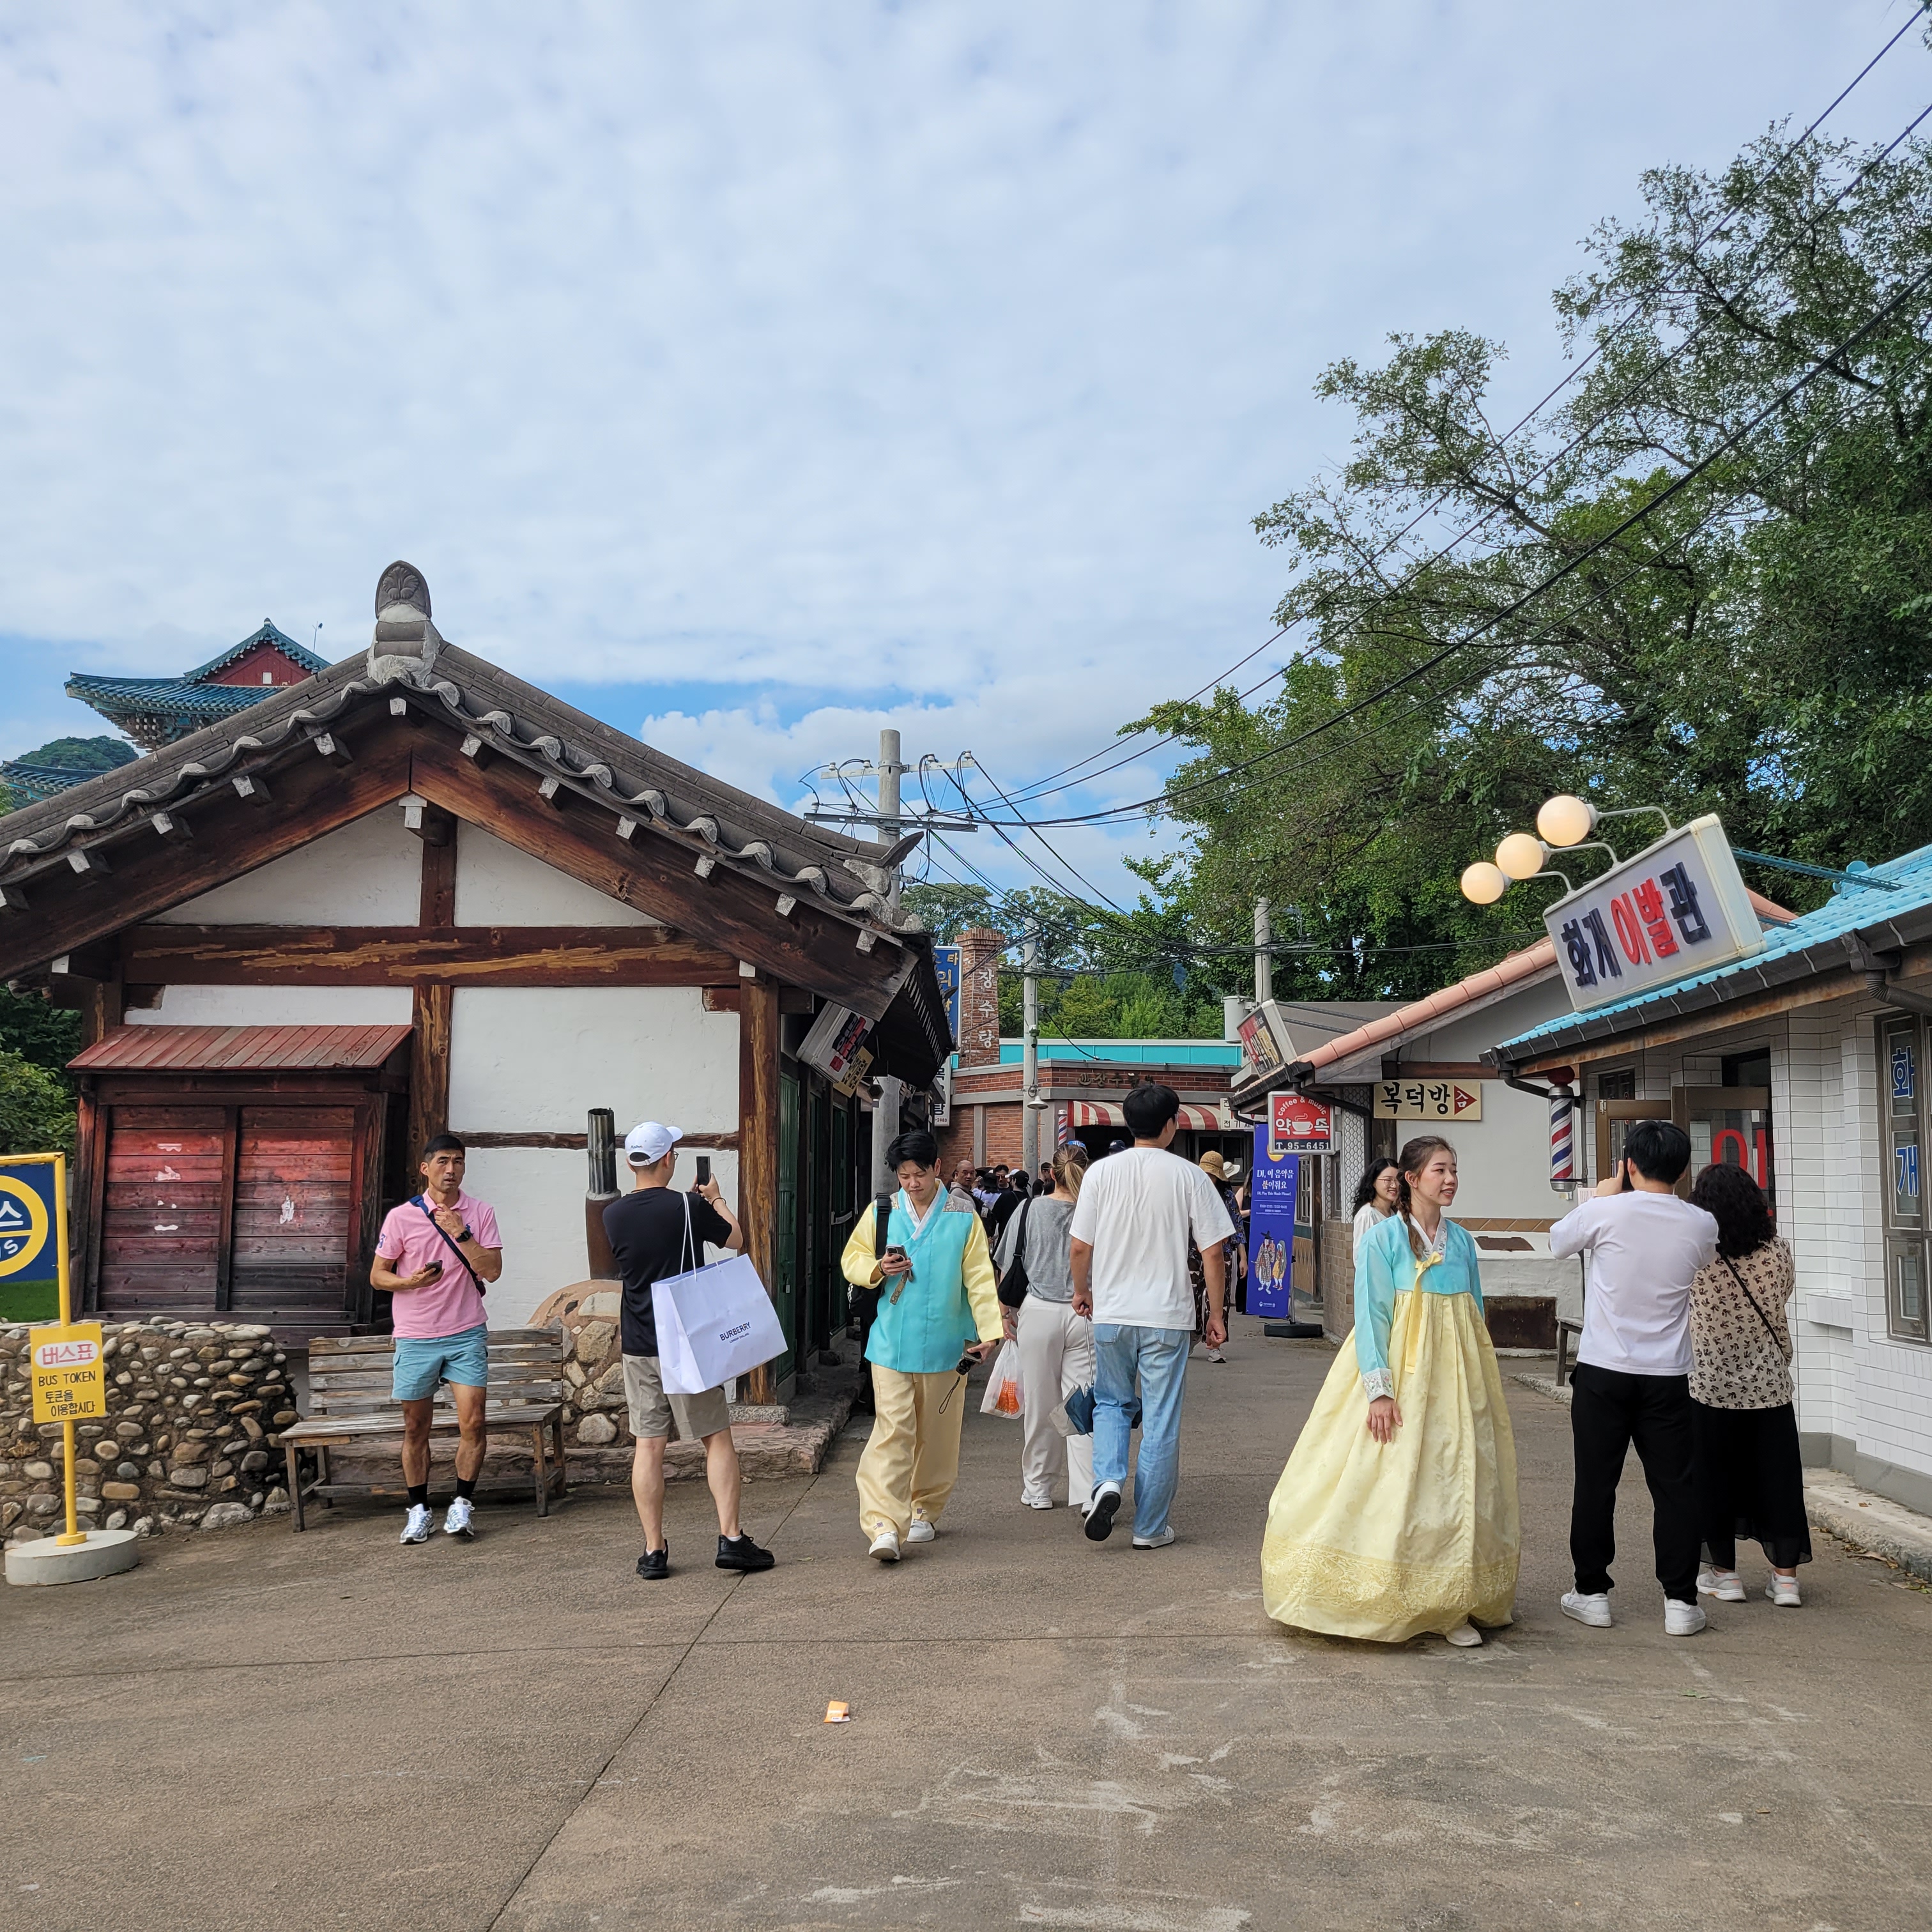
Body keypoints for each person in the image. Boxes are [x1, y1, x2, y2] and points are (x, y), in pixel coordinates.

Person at [1261, 1136, 1519, 1646]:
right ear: (1412, 1178)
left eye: (1454, 1170)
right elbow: (1372, 1316)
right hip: (1402, 1372)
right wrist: (1379, 1390)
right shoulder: (1382, 1239)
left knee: (1455, 1478)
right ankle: (1388, 1592)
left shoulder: (1461, 1241)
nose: (1451, 1179)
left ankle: (1451, 1603)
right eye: (1440, 1170)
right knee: (1393, 1478)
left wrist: (1481, 1381)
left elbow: (1475, 1312)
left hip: (1456, 1379)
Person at [1550, 1118, 1718, 1636]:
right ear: (1683, 1170)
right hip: (1667, 1374)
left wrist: (1598, 1198)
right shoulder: (1701, 1223)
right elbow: (1704, 1261)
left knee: (1596, 1484)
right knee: (1675, 1488)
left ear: (1628, 1164)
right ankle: (1681, 1602)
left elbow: (1558, 1242)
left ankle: (1592, 1593)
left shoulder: (1605, 1211)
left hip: (1604, 1369)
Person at [603, 1121, 775, 1582]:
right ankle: (731, 1538)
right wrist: (715, 1198)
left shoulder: (613, 1215)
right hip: (685, 1342)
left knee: (648, 1446)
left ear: (631, 1163)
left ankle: (653, 1549)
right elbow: (736, 1240)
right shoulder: (687, 1205)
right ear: (667, 1159)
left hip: (639, 1341)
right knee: (716, 1437)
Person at [1070, 1083, 1234, 1549]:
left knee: (1111, 1403)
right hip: (1168, 1315)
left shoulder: (1100, 1173)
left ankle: (1107, 1481)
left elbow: (1080, 1246)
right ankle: (1150, 1528)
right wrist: (1215, 1313)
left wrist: (1082, 1291)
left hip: (1113, 1312)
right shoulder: (1190, 1176)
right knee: (1161, 1418)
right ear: (1171, 1125)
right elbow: (1214, 1252)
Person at [840, 1128, 1004, 1561]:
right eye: (904, 1175)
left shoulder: (963, 1218)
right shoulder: (883, 1211)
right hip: (891, 1343)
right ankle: (883, 1525)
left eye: (919, 1174)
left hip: (947, 1345)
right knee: (893, 1431)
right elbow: (852, 1259)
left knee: (938, 1436)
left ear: (937, 1168)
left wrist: (988, 1332)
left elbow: (979, 1278)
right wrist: (879, 1267)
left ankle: (924, 1509)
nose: (912, 1183)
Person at [1685, 1162, 1809, 1607]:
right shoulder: (1778, 1251)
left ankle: (1726, 1575)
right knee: (1778, 1480)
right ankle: (1786, 1579)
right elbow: (1783, 1297)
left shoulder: (1697, 1255)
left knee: (1714, 1479)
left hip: (1710, 1384)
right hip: (1768, 1383)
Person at [371, 1133, 504, 1545]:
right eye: (443, 1162)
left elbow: (493, 1271)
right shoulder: (401, 1218)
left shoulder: (480, 1213)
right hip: (416, 1336)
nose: (451, 1170)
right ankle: (418, 1510)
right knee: (416, 1427)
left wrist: (461, 1234)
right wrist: (409, 1282)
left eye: (458, 1162)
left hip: (465, 1331)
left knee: (474, 1422)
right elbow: (378, 1276)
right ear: (426, 1168)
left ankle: (462, 1504)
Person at [1000, 1142, 1093, 1513]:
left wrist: (1005, 1312)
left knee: (1041, 1404)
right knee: (1083, 1403)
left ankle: (1038, 1487)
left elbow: (1007, 1265)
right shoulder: (1096, 1212)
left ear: (1051, 1174)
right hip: (1086, 1311)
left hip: (1038, 1312)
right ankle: (1088, 1493)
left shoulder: (1028, 1209)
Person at [1192, 1149, 1243, 1363]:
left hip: (1223, 1252)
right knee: (1192, 1295)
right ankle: (1193, 1335)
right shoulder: (1191, 1193)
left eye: (1212, 1175)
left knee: (1219, 1300)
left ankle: (1214, 1346)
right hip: (1193, 1252)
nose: (1208, 1178)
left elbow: (1237, 1226)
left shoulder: (1227, 1197)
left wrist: (1243, 1257)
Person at [1352, 1158, 1400, 1262]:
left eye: (1398, 1180)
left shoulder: (1393, 1214)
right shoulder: (1367, 1215)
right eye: (1388, 1180)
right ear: (1374, 1182)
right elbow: (1361, 1258)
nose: (1394, 1185)